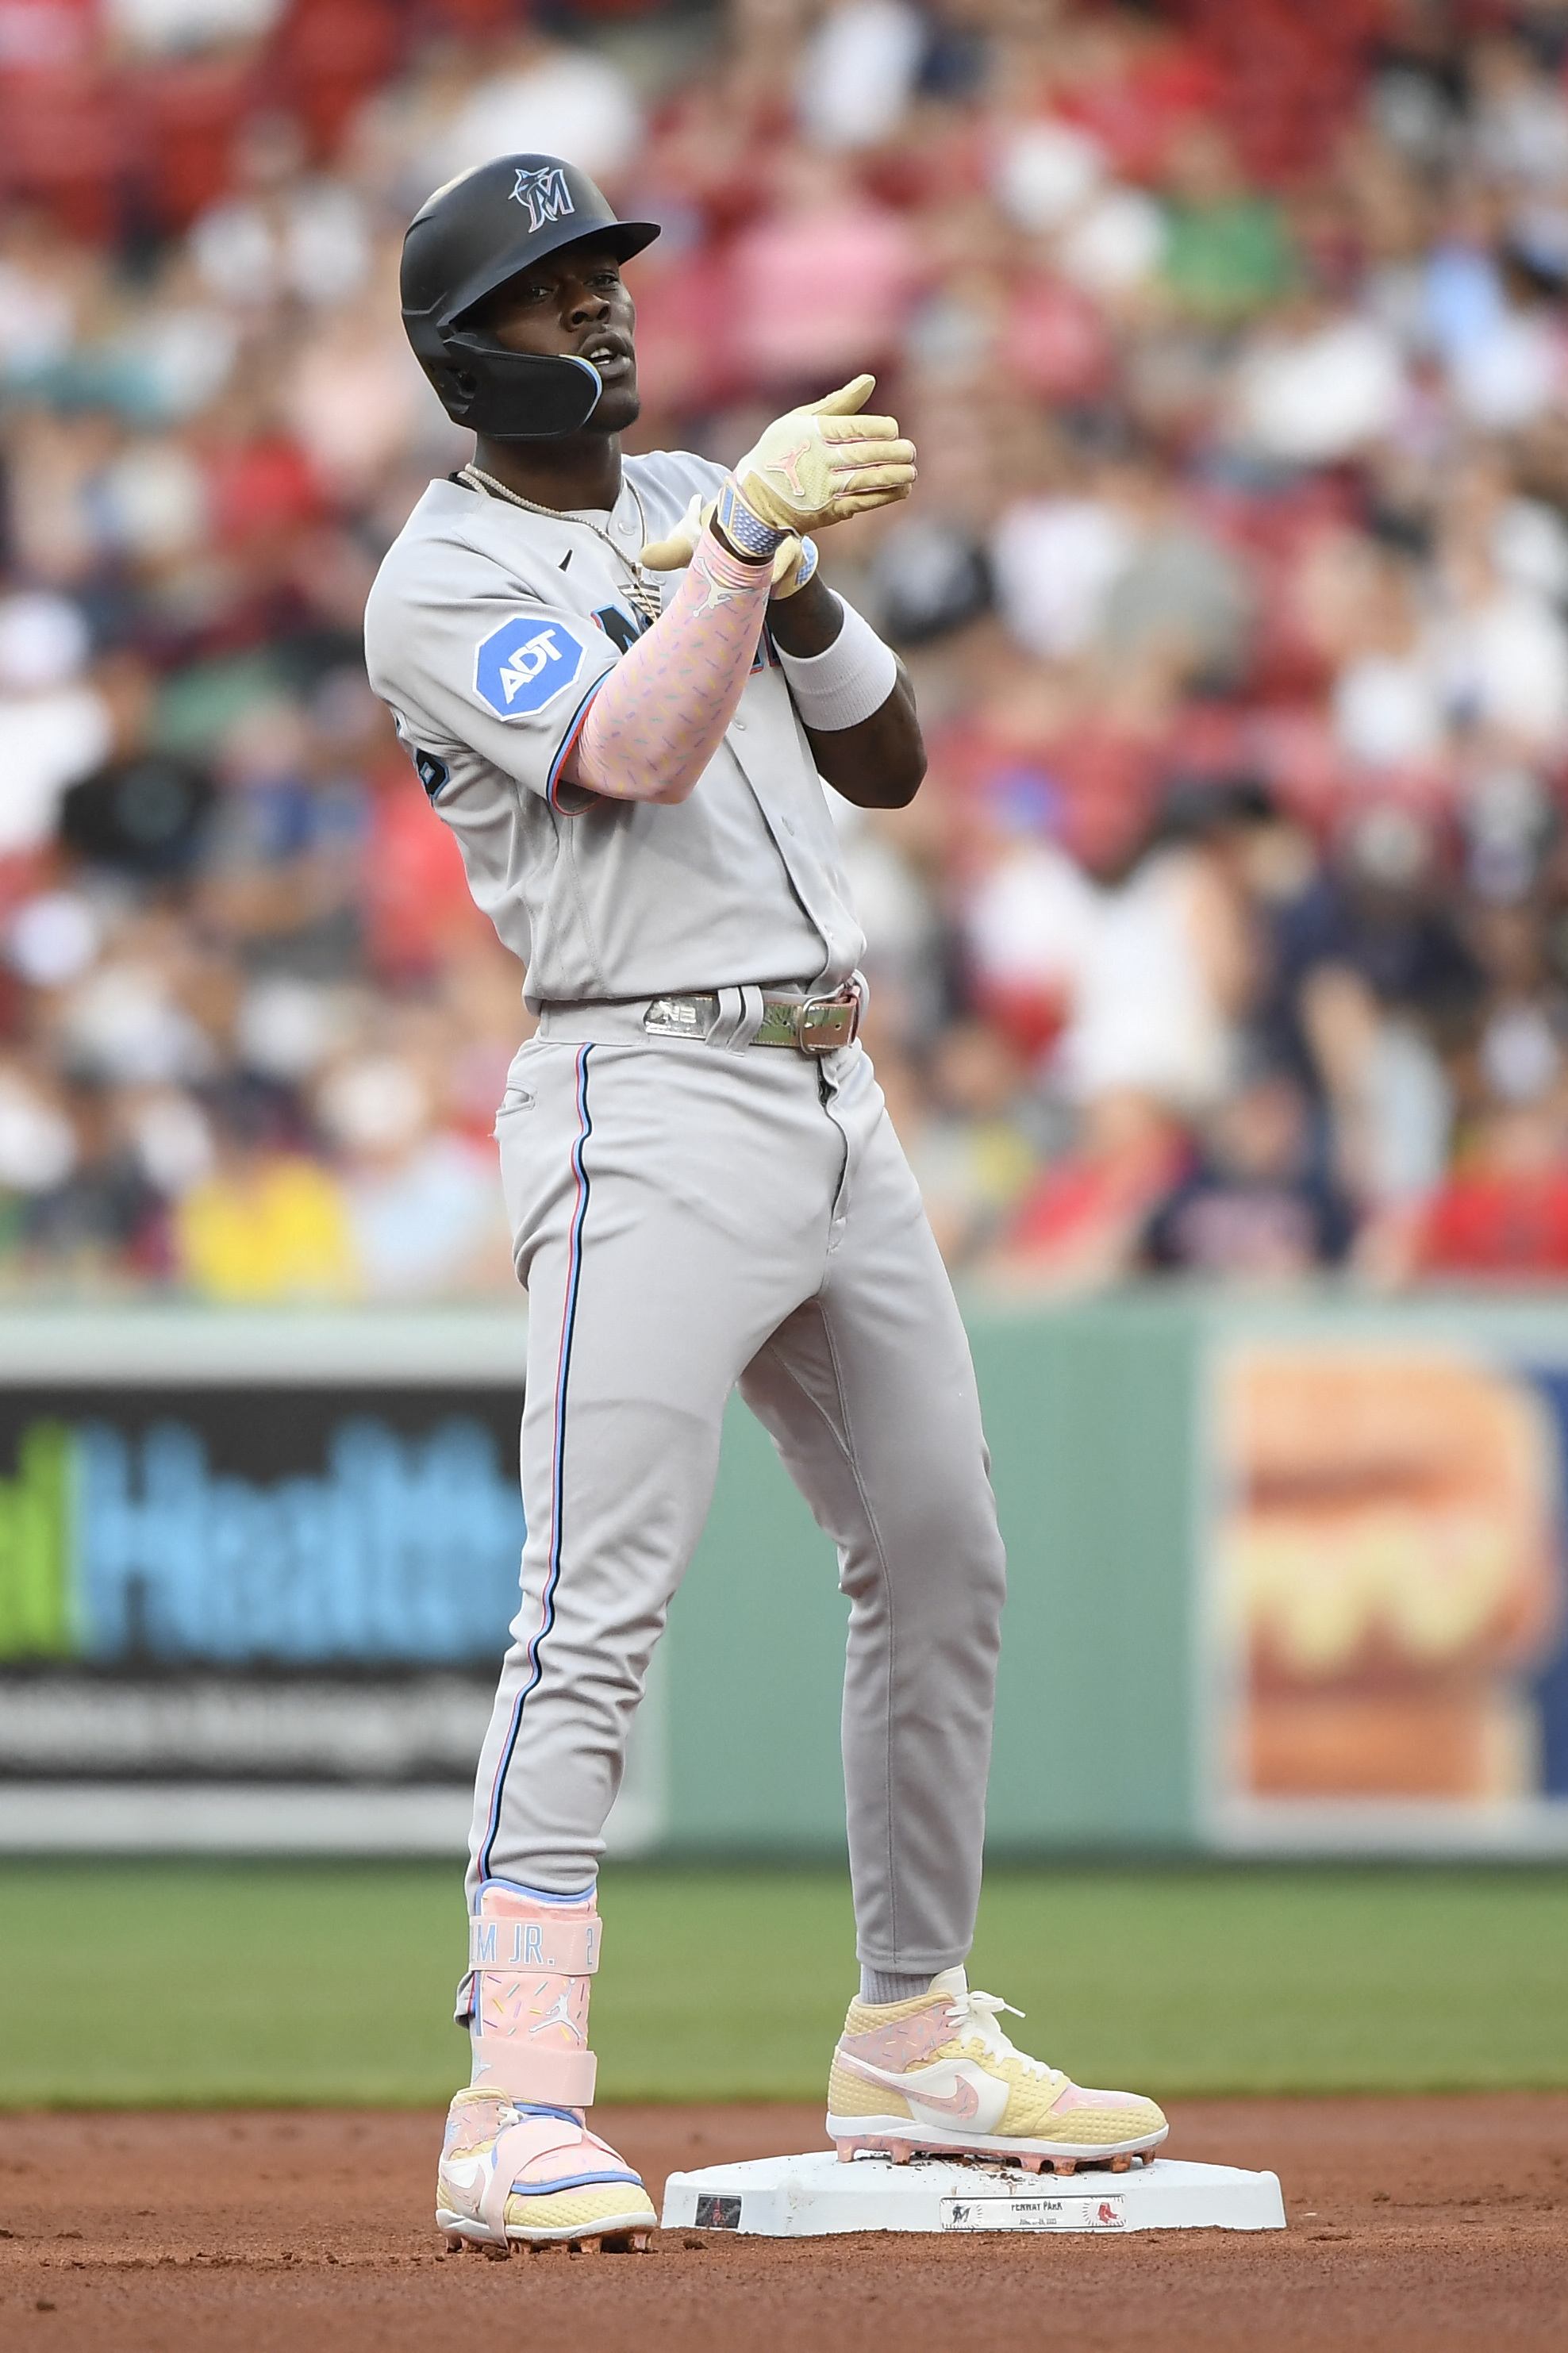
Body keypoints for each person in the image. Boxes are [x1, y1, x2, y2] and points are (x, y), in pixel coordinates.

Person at [363, 153, 1167, 2254]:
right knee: (595, 1597)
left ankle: (913, 2031)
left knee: (943, 1549)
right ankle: (514, 2094)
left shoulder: (683, 496)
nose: (603, 320)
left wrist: (784, 567)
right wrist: (739, 538)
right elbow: (625, 752)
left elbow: (887, 760)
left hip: (831, 1076)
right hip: (641, 1080)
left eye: (608, 281)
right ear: (471, 348)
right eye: (553, 298)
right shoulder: (437, 582)